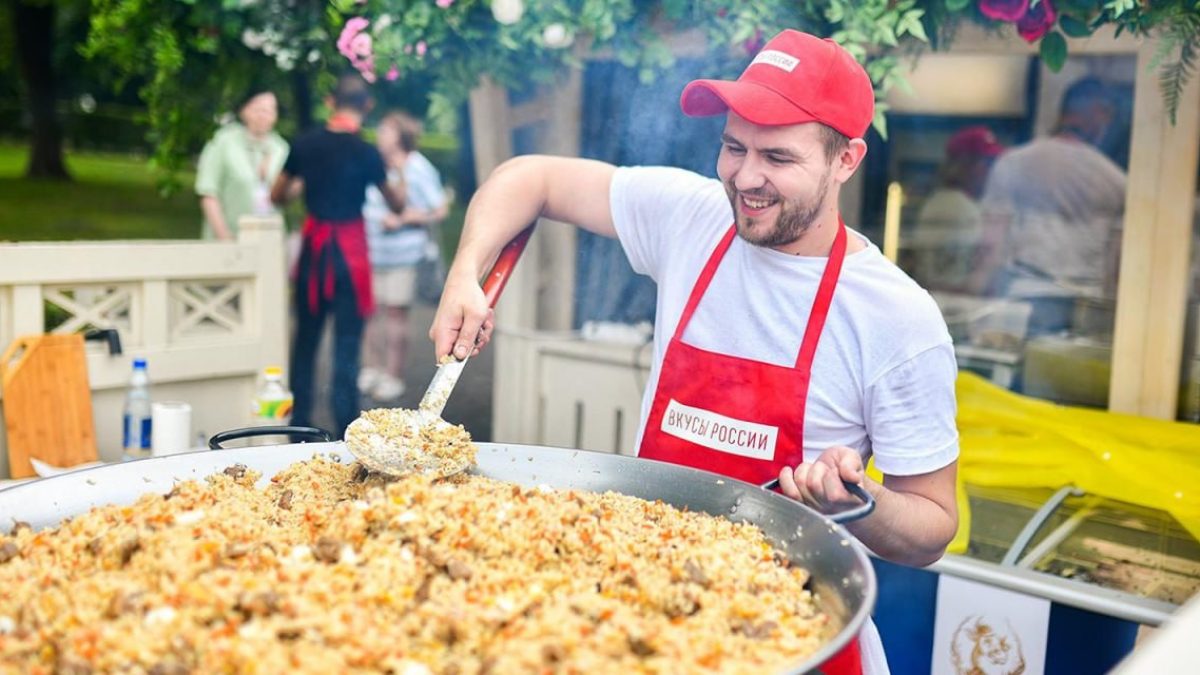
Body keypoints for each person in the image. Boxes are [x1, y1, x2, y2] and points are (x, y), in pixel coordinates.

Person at [432, 29, 959, 675]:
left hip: (788, 633)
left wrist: (855, 502)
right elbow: (529, 177)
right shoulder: (691, 218)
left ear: (846, 159)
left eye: (778, 157)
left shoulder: (897, 318)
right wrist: (465, 274)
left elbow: (933, 526)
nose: (745, 177)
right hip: (646, 618)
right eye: (733, 147)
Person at [270, 74, 405, 437]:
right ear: (367, 106)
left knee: (306, 340)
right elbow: (396, 201)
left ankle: (299, 425)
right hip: (350, 255)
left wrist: (303, 186)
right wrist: (398, 171)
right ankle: (346, 425)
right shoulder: (367, 152)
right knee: (347, 340)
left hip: (315, 252)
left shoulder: (305, 143)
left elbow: (277, 195)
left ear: (330, 102)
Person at [971, 77, 1127, 336]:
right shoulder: (1116, 180)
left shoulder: (1015, 162)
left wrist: (977, 298)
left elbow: (991, 246)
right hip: (1089, 305)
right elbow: (1117, 264)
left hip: (1027, 298)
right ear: (1100, 116)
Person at [359, 112, 449, 401]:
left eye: (386, 130)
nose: (380, 135)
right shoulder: (376, 164)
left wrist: (405, 219)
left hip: (404, 256)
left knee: (396, 314)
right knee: (370, 313)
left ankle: (393, 375)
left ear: (401, 136)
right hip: (373, 252)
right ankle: (371, 368)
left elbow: (439, 209)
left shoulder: (419, 167)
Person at [909, 126, 1004, 292]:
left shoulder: (951, 202)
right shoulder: (956, 208)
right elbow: (951, 282)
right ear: (966, 165)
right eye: (986, 163)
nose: (991, 171)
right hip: (954, 308)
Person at [195, 88, 289, 240]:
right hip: (229, 237)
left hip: (269, 239)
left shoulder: (281, 148)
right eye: (259, 109)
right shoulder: (223, 141)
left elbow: (286, 196)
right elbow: (208, 192)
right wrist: (224, 236)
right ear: (243, 110)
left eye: (270, 110)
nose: (264, 115)